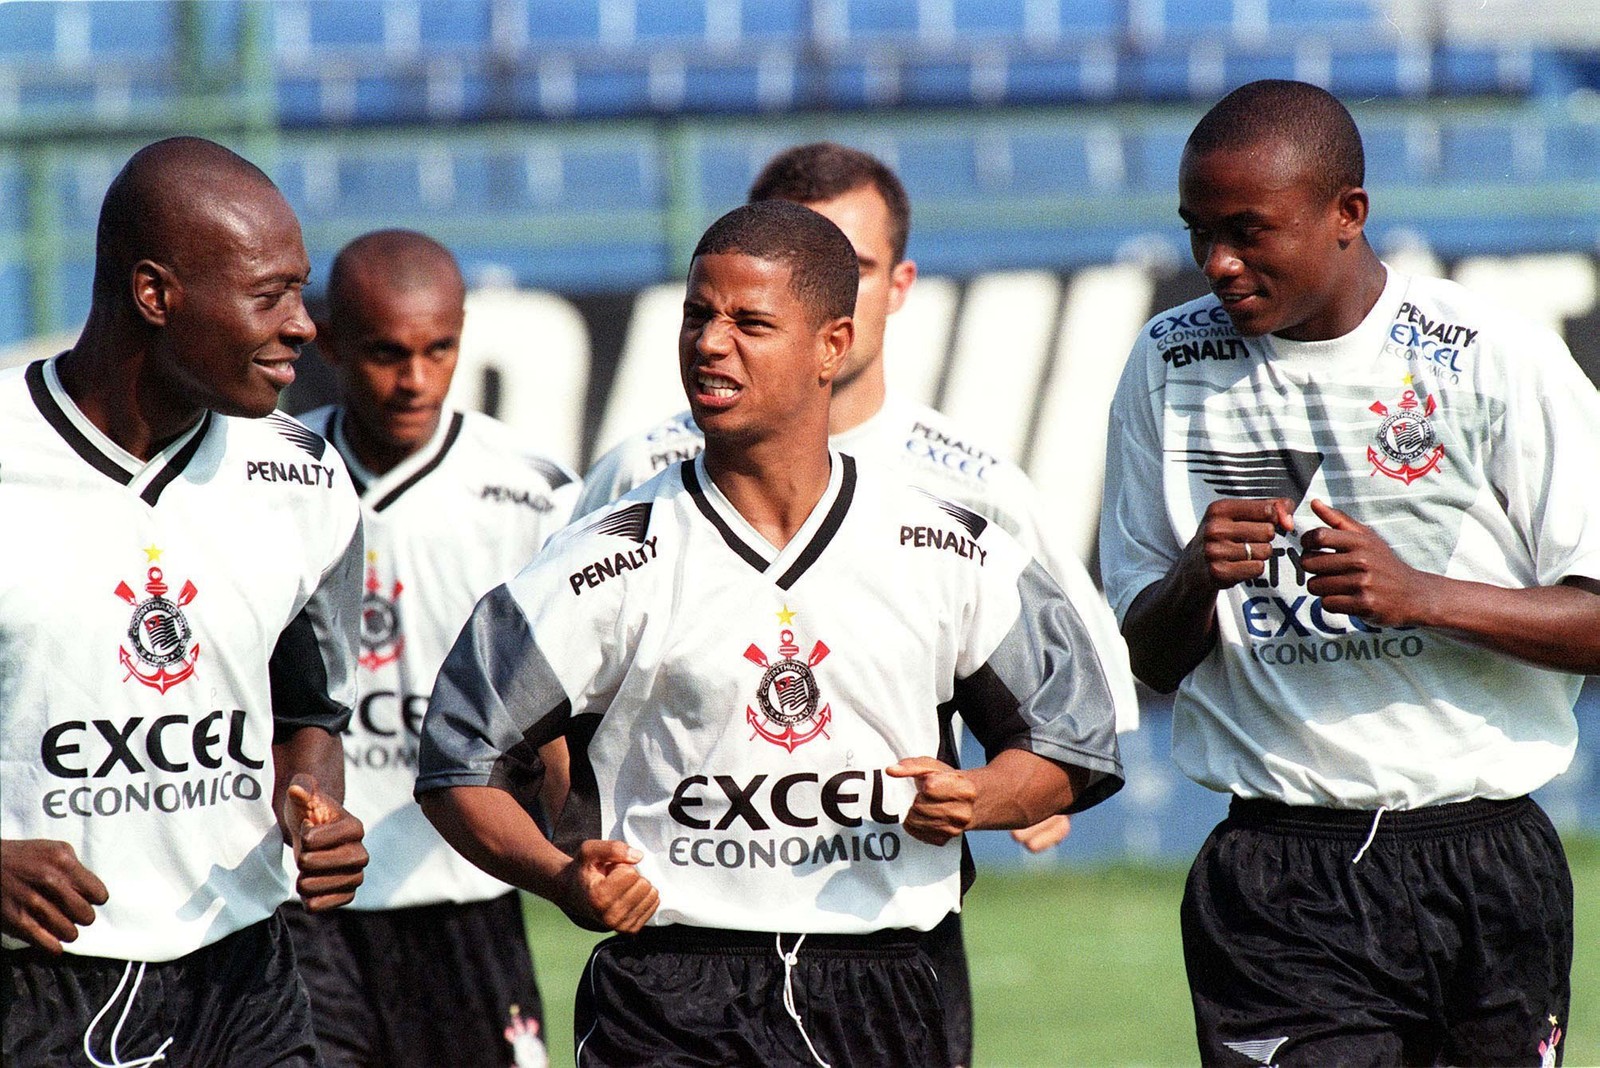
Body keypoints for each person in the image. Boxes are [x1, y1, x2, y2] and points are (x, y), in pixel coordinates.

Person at [416, 200, 1124, 1066]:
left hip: (890, 982)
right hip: (668, 993)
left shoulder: (944, 545)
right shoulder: (605, 560)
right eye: (697, 316)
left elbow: (1072, 739)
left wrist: (983, 797)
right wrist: (559, 875)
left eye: (750, 322)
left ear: (832, 343)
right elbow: (460, 758)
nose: (711, 343)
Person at [1099, 79, 1600, 1067]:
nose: (1218, 264)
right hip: (1280, 875)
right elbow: (1148, 653)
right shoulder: (1168, 362)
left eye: (1247, 230)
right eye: (1198, 232)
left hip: (1486, 861)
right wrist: (1196, 578)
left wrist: (1424, 596)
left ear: (1346, 214)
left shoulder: (1489, 357)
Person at [0, 136, 369, 1065]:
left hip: (242, 976)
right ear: (155, 294)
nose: (304, 325)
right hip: (34, 985)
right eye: (269, 294)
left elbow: (307, 709)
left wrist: (313, 802)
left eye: (302, 289)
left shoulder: (303, 479)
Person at [285, 229, 580, 1068]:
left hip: (466, 896)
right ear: (331, 341)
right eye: (385, 353)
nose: (415, 379)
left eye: (438, 349)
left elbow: (571, 715)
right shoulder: (265, 480)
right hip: (308, 905)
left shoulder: (534, 497)